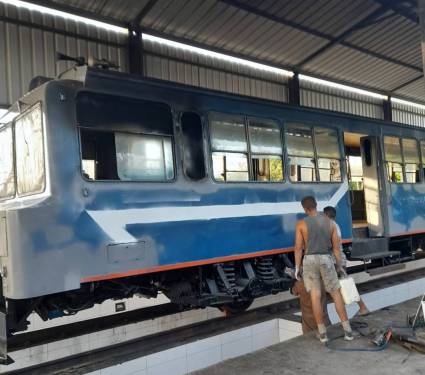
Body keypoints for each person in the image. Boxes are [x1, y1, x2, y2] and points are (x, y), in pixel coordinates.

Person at [294, 196, 354, 343]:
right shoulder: (330, 223)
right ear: (316, 205)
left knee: (315, 296)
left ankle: (322, 334)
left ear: (304, 208)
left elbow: (298, 248)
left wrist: (297, 267)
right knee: (336, 294)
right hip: (326, 259)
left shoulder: (301, 224)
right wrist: (339, 266)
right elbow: (336, 249)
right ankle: (347, 331)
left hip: (309, 261)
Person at [323, 206, 370, 316]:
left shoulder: (330, 227)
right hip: (338, 261)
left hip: (336, 261)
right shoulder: (334, 225)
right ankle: (362, 308)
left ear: (325, 215)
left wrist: (338, 265)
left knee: (344, 287)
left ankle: (362, 308)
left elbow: (333, 247)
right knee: (344, 287)